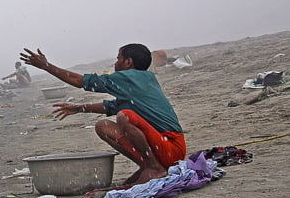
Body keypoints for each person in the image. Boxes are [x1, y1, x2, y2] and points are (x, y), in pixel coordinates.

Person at [19, 43, 186, 186]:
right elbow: (110, 106)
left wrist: (46, 66)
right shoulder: (143, 79)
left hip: (171, 148)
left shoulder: (127, 77)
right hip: (166, 150)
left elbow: (80, 81)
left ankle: (154, 167)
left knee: (124, 116)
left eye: (118, 59)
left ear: (128, 62)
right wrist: (78, 108)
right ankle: (148, 165)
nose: (115, 62)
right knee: (103, 126)